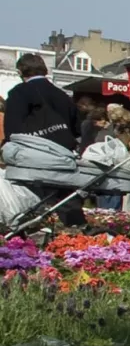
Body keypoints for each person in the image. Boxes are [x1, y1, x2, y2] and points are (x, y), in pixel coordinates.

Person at [3, 53, 84, 225]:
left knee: (27, 202)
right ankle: (78, 235)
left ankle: (26, 235)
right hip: (63, 157)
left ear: (20, 71)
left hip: (33, 158)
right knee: (66, 200)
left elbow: (12, 129)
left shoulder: (19, 93)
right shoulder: (62, 95)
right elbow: (77, 128)